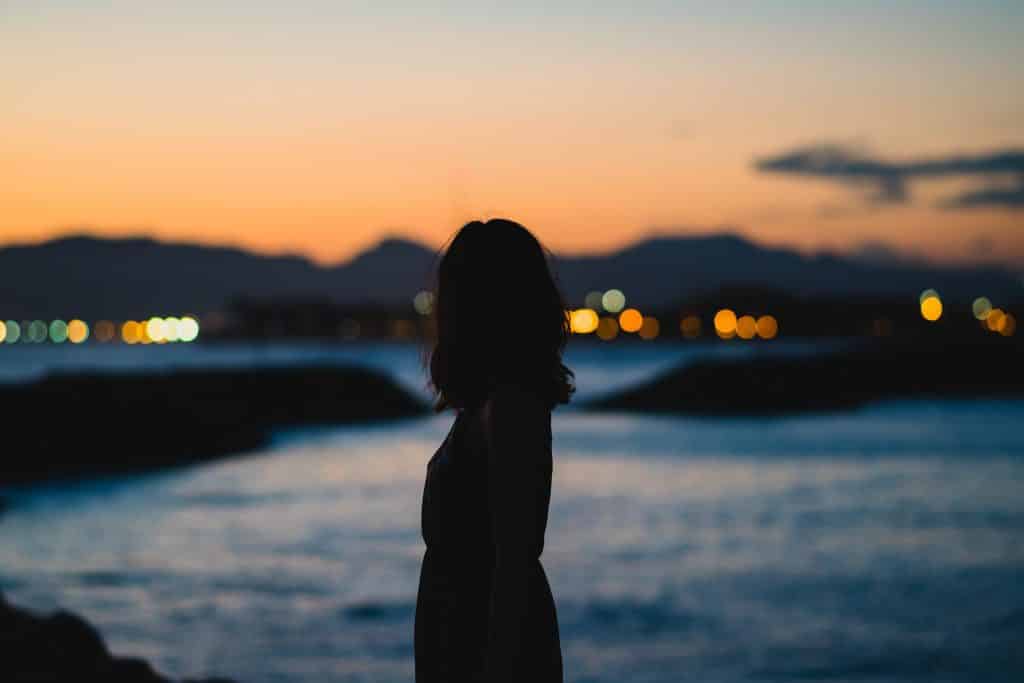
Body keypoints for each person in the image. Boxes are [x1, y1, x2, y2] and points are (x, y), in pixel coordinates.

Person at [415, 219, 573, 682]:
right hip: (463, 642)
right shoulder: (488, 405)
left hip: (487, 651)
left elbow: (515, 559)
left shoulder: (512, 407)